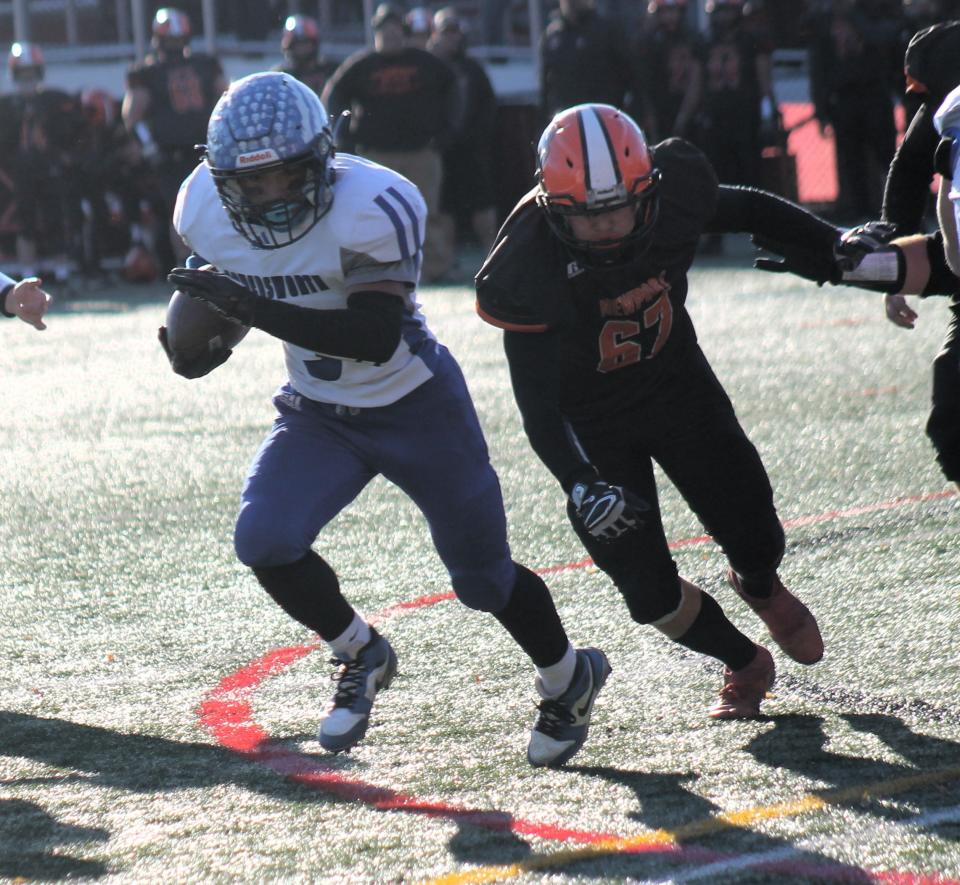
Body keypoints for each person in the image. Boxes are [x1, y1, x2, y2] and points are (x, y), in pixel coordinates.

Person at [162, 71, 609, 768]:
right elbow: (244, 284)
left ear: (322, 157)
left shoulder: (375, 202)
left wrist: (246, 308)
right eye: (255, 186)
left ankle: (567, 675)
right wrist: (209, 332)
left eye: (287, 177)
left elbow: (373, 335)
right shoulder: (202, 209)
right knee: (265, 538)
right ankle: (360, 651)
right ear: (223, 182)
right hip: (318, 410)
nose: (274, 198)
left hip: (413, 402)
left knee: (482, 579)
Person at [475, 103, 826, 719]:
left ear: (647, 192)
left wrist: (835, 242)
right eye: (588, 218)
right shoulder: (528, 258)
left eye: (617, 208)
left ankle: (759, 584)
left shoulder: (673, 195)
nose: (607, 227)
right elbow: (536, 404)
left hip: (677, 386)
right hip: (593, 425)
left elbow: (746, 208)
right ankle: (745, 662)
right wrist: (580, 482)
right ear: (552, 207)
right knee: (646, 592)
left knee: (756, 531)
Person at [322, 3, 460, 283]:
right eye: (385, 31)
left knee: (428, 212)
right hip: (377, 157)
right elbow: (334, 96)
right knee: (375, 215)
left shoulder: (426, 62)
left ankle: (436, 269)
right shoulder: (361, 65)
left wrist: (447, 131)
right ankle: (375, 269)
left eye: (396, 31)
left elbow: (454, 91)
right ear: (375, 34)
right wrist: (345, 137)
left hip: (421, 152)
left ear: (404, 33)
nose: (391, 36)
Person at [122, 7, 227, 270]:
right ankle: (188, 266)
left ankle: (209, 264)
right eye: (171, 41)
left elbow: (227, 99)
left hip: (203, 149)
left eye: (177, 41)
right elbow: (132, 116)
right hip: (174, 154)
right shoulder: (150, 71)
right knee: (181, 213)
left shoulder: (203, 64)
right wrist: (148, 146)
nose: (174, 46)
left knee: (214, 208)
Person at [1, 43, 84, 284]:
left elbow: (73, 133)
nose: (28, 80)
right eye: (23, 74)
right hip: (21, 170)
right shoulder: (6, 106)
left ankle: (62, 272)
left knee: (56, 217)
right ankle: (27, 274)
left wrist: (66, 156)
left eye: (31, 74)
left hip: (50, 167)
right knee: (25, 221)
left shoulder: (53, 100)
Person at [428, 6, 500, 266]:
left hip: (471, 150)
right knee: (444, 207)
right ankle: (445, 262)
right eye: (446, 32)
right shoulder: (428, 67)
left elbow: (487, 105)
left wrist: (478, 139)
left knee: (482, 204)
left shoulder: (472, 69)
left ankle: (494, 256)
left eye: (456, 32)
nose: (452, 38)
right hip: (441, 150)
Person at [539, 0, 644, 123]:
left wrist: (630, 116)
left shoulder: (608, 32)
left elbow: (633, 79)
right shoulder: (552, 36)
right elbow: (546, 88)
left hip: (603, 120)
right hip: (565, 123)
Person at [636, 0, 703, 143]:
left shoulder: (693, 40)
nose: (670, 17)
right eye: (665, 11)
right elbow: (646, 86)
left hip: (686, 112)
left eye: (673, 11)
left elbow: (695, 83)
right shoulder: (650, 44)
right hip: (660, 112)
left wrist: (683, 118)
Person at [273, 14, 337, 98]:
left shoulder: (331, 71)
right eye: (298, 45)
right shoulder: (280, 75)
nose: (302, 49)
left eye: (306, 44)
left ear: (314, 45)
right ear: (290, 47)